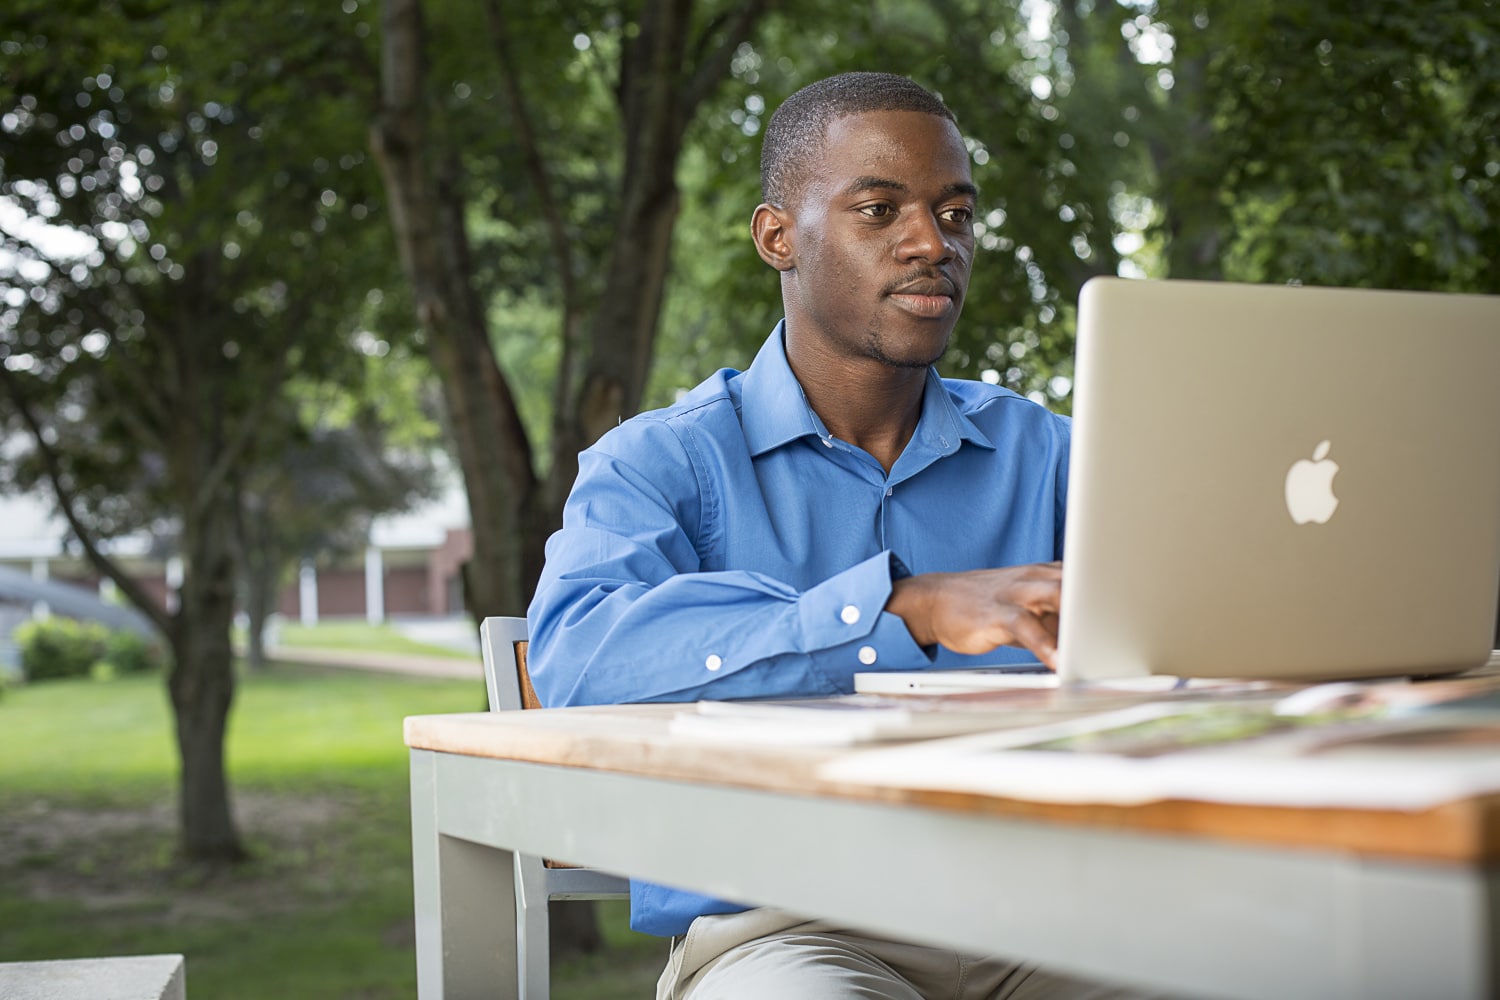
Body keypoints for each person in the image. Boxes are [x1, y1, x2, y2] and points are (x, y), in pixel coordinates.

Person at [529, 72, 1134, 999]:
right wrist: (900, 607)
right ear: (779, 238)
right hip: (789, 933)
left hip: (1057, 922)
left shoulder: (1052, 456)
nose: (933, 242)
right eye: (880, 209)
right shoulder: (661, 464)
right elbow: (579, 659)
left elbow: (1189, 621)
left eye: (956, 213)